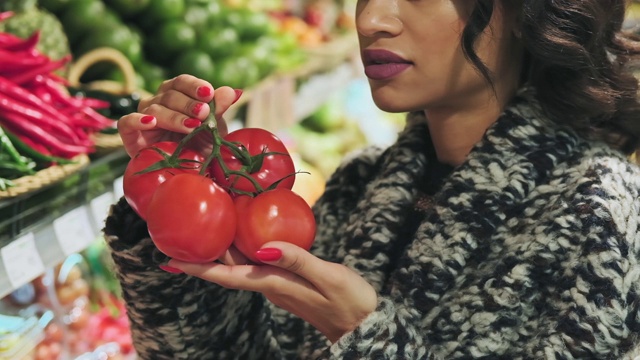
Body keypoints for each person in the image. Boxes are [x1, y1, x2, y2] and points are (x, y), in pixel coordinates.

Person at [104, 0, 640, 358]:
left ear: (527, 13)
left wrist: (364, 337)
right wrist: (172, 191)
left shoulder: (601, 213)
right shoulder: (360, 183)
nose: (371, 20)